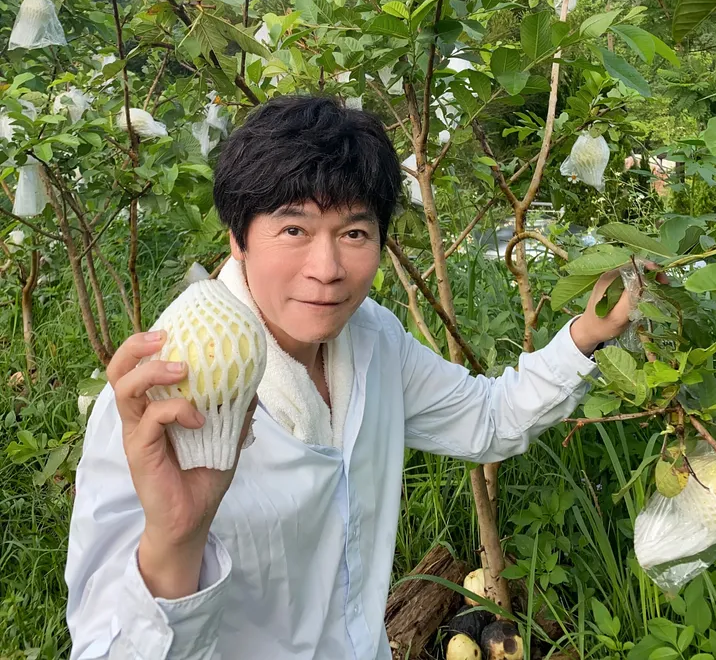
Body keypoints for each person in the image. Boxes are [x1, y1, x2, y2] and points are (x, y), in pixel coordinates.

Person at [65, 94, 646, 660]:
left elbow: (488, 419)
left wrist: (590, 333)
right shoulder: (164, 390)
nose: (327, 270)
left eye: (354, 234)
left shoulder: (372, 338)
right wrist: (177, 540)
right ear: (238, 239)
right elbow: (104, 644)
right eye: (294, 230)